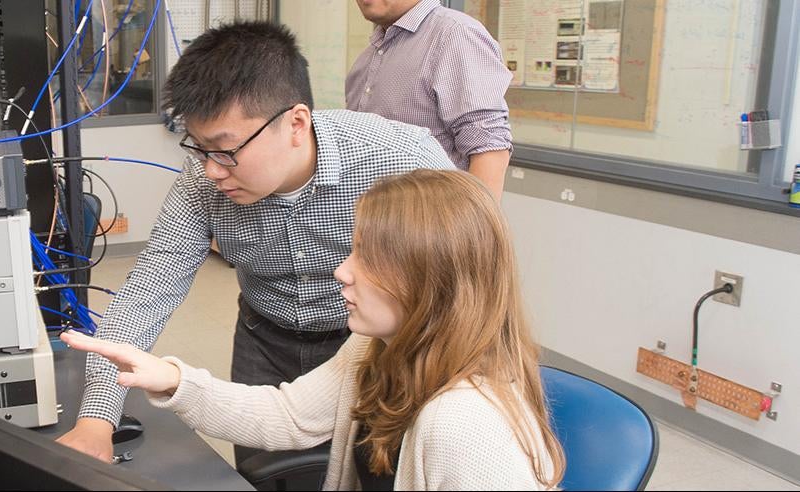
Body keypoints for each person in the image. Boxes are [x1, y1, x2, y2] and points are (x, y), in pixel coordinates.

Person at [55, 21, 455, 464]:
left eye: (226, 150)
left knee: (374, 468)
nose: (211, 170)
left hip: (375, 344)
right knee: (262, 472)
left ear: (296, 123)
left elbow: (468, 280)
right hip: (264, 340)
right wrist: (96, 419)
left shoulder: (402, 159)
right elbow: (149, 290)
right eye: (199, 148)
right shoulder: (204, 180)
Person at [62, 169, 566, 490]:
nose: (342, 271)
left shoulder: (463, 423)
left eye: (365, 256)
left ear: (428, 280)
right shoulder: (377, 348)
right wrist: (172, 379)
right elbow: (287, 415)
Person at [347, 0, 513, 198]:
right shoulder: (367, 59)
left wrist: (473, 228)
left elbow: (489, 149)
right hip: (375, 222)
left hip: (433, 224)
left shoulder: (455, 34)